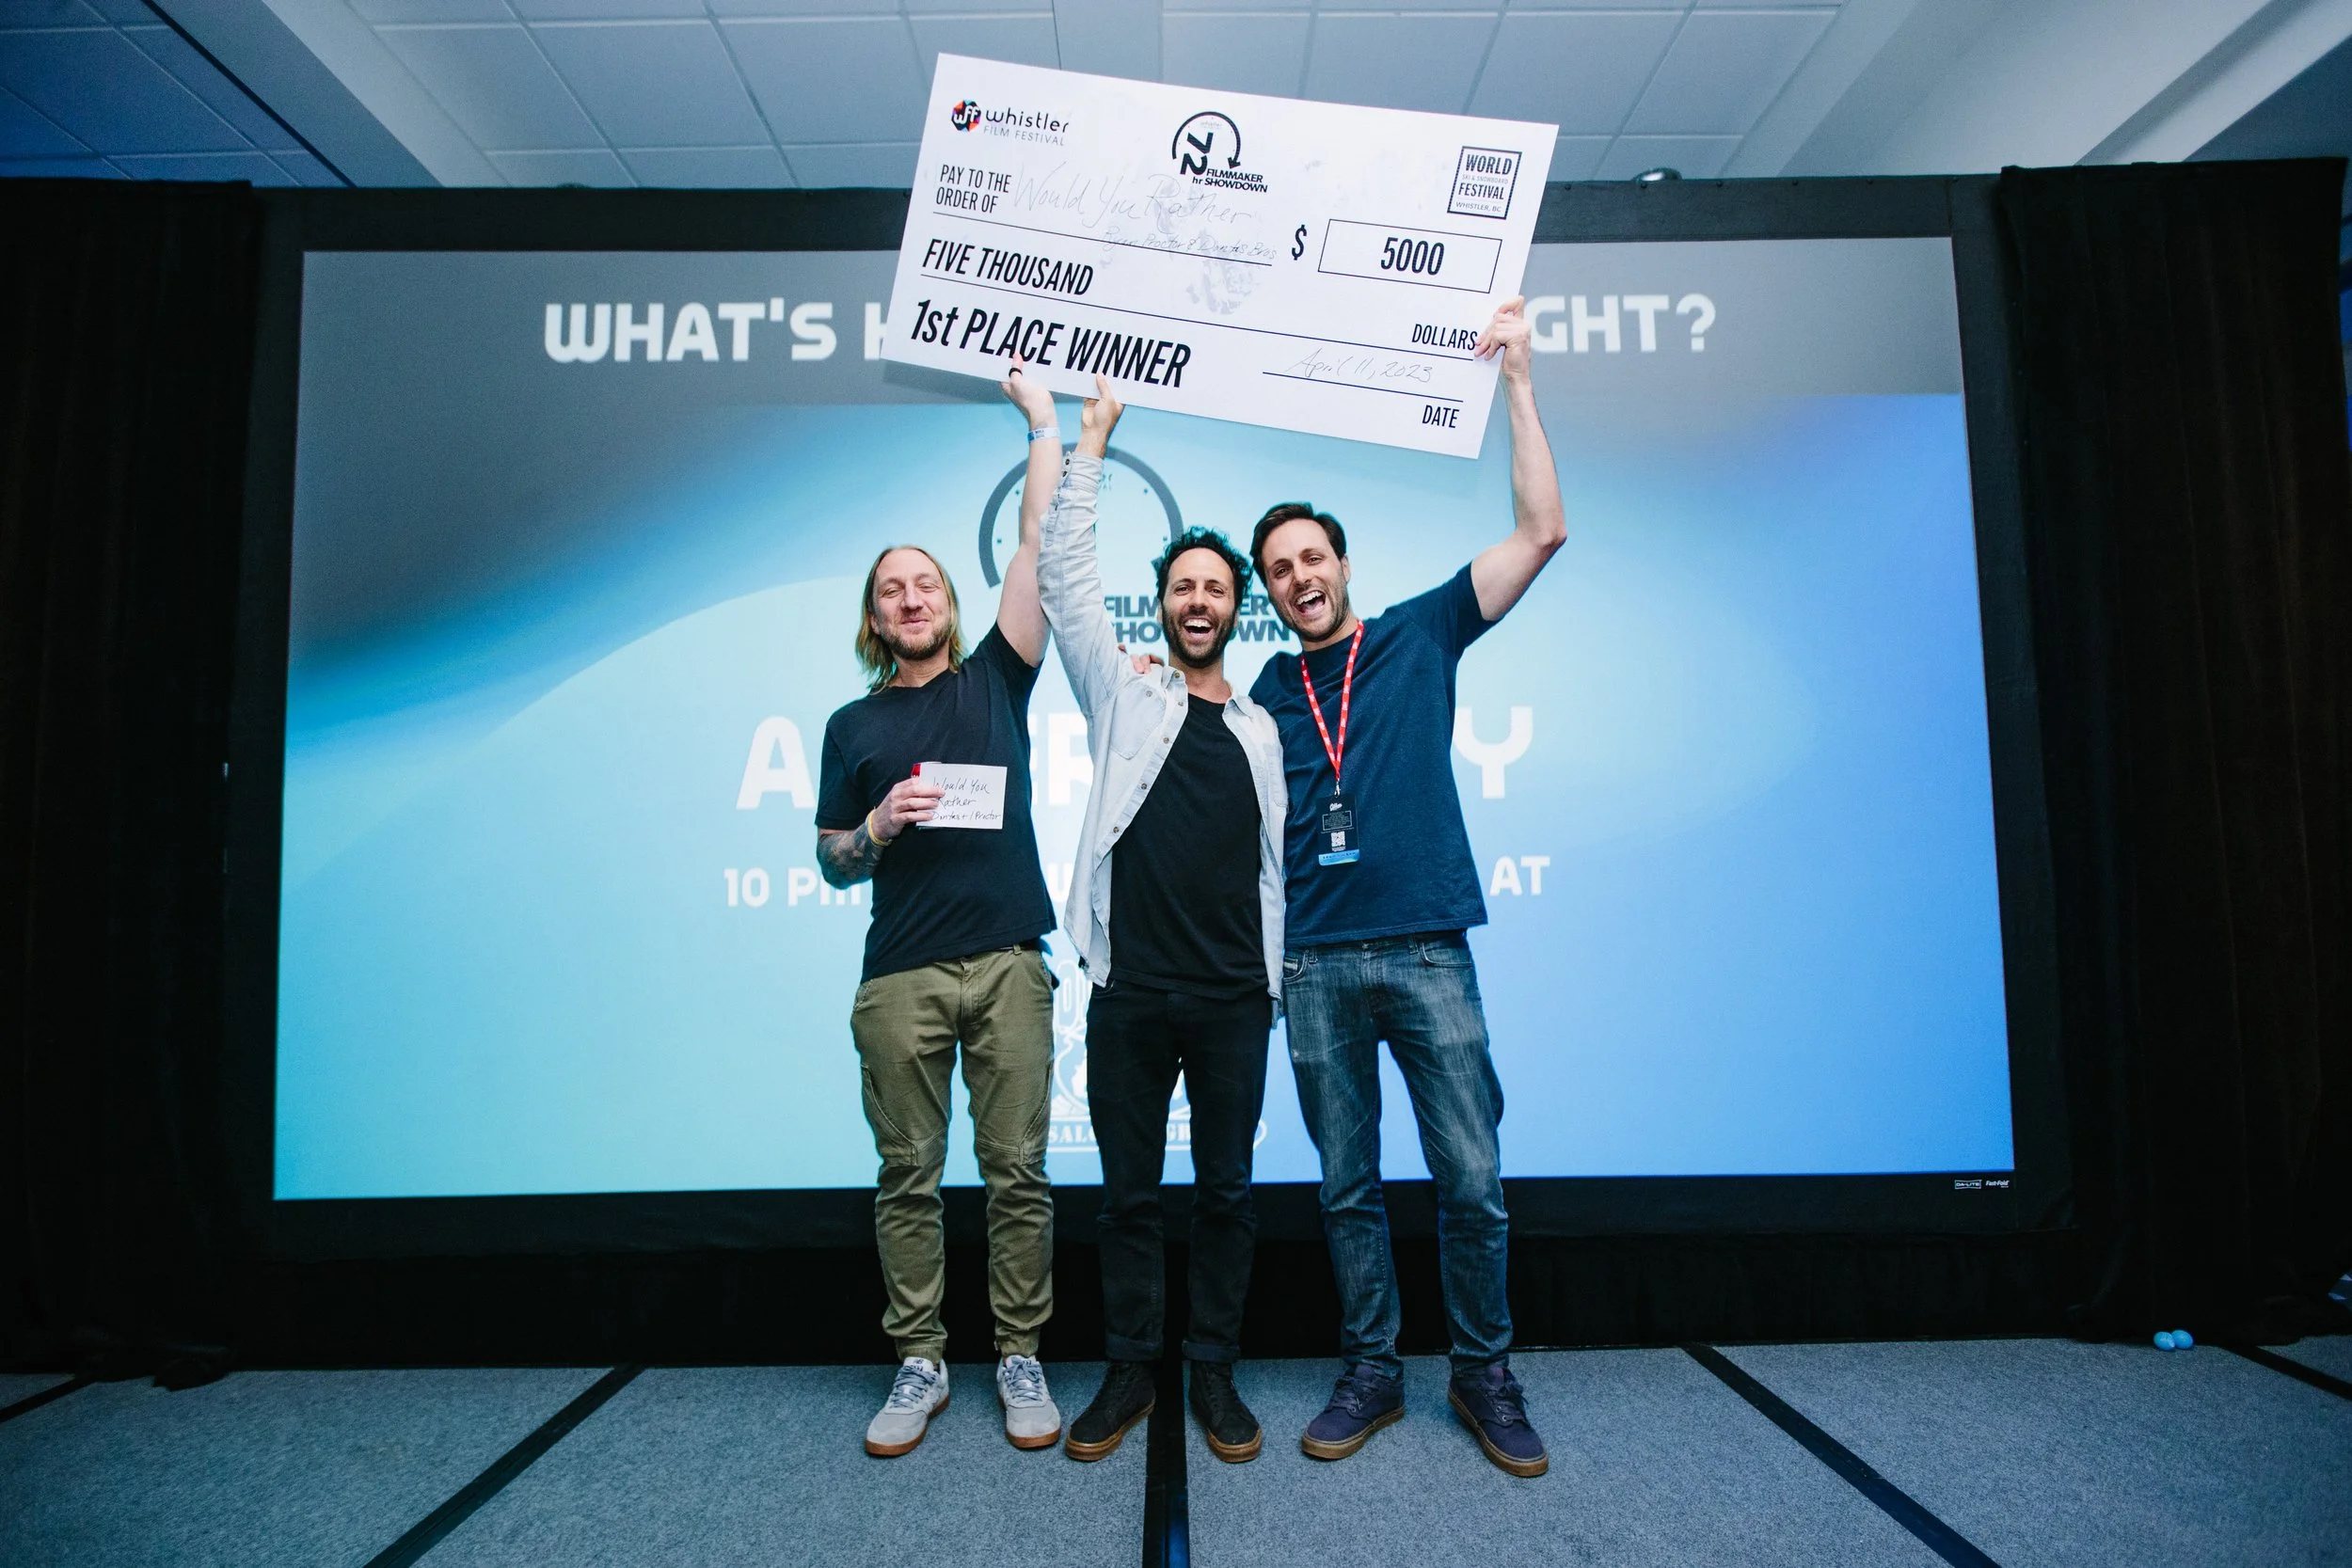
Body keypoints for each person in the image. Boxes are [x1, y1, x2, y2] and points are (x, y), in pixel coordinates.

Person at [1246, 296, 1565, 1479]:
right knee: (1344, 1188)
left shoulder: (1421, 630)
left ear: (1341, 563)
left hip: (1427, 946)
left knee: (1470, 1177)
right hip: (1314, 963)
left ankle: (1482, 1369)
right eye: (1278, 570)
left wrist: (1518, 378)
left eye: (1311, 558)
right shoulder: (1262, 692)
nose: (1298, 579)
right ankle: (1372, 1366)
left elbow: (1541, 530)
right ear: (1269, 592)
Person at [1005, 367, 1289, 1465]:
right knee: (1128, 1198)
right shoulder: (1125, 689)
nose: (1201, 600)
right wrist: (1089, 444)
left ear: (1235, 606)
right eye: (1184, 586)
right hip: (1129, 992)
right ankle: (1130, 1366)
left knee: (1225, 1196)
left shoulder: (1264, 731)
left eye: (1218, 588)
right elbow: (1066, 574)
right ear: (1164, 603)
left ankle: (1210, 1368)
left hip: (1232, 1004)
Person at [812, 367, 1065, 1458]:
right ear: (874, 619)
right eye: (890, 590)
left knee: (1017, 1173)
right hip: (900, 976)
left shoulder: (999, 677)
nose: (911, 598)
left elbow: (1035, 542)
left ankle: (1018, 1352)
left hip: (1008, 964)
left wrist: (1043, 424)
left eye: (924, 584)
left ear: (949, 603)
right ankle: (920, 1359)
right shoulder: (850, 722)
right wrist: (872, 829)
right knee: (906, 1176)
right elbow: (829, 858)